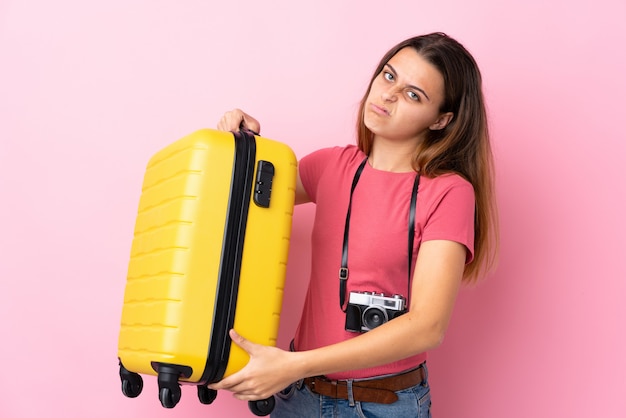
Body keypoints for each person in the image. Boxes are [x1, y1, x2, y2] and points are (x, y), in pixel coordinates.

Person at [210, 32, 498, 417]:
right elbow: (244, 196)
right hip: (297, 397)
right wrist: (247, 143)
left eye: (414, 95)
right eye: (388, 75)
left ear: (442, 119)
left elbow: (428, 326)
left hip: (380, 405)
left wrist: (291, 365)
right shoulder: (331, 165)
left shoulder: (449, 192)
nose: (389, 95)